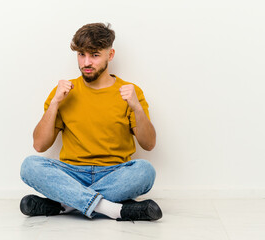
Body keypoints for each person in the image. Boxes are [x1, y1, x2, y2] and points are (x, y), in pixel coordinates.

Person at [19, 23, 162, 221]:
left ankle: (65, 205)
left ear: (110, 55)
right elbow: (39, 145)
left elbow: (149, 144)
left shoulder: (131, 92)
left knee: (145, 171)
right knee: (29, 166)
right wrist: (55, 103)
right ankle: (113, 209)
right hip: (72, 173)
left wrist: (136, 107)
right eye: (81, 55)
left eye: (94, 55)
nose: (86, 62)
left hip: (113, 172)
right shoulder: (64, 92)